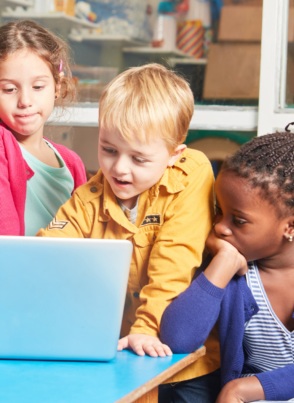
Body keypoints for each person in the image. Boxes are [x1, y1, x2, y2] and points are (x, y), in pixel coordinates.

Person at [161, 105, 294, 403]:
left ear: (292, 227)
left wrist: (238, 389)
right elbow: (177, 339)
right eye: (219, 211)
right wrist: (221, 265)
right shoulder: (231, 260)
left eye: (238, 220)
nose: (220, 227)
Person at [36, 64, 221, 402]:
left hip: (187, 360)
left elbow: (174, 262)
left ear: (174, 155)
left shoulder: (192, 173)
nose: (119, 168)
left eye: (139, 158)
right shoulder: (87, 199)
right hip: (125, 356)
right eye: (109, 150)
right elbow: (47, 255)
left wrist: (147, 327)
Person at [0, 20, 87, 236]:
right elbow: (1, 235)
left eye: (38, 86)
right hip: (13, 259)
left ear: (57, 86)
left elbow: (85, 234)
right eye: (9, 89)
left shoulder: (72, 163)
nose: (25, 101)